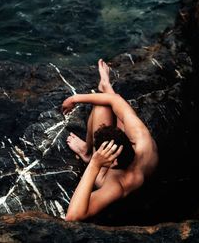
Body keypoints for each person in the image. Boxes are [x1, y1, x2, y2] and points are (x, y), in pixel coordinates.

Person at [62, 59, 158, 221]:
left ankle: (87, 154)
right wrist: (75, 98)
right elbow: (116, 100)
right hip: (122, 160)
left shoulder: (118, 185)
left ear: (109, 161)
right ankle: (106, 87)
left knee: (103, 105)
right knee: (104, 104)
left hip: (109, 173)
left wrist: (94, 164)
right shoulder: (140, 139)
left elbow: (73, 216)